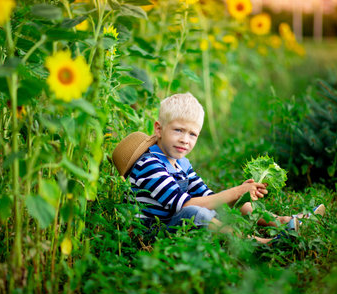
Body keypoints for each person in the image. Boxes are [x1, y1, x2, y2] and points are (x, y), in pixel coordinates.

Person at [112, 92, 325, 244]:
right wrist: (233, 193)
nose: (185, 140)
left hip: (176, 220)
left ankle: (282, 222)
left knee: (223, 203)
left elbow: (207, 195)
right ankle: (258, 244)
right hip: (155, 231)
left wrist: (240, 193)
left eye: (192, 134)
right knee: (196, 212)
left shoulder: (182, 164)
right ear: (159, 129)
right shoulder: (149, 164)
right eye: (178, 130)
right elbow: (181, 205)